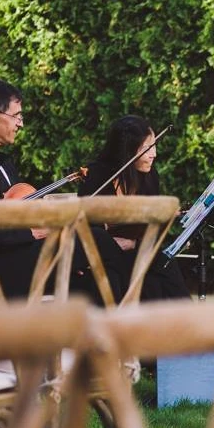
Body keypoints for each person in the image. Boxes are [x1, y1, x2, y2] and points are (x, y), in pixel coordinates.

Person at [0, 78, 124, 303]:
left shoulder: (5, 163)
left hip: (21, 256)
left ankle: (116, 329)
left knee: (95, 278)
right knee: (98, 239)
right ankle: (142, 293)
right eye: (17, 116)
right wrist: (32, 232)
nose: (21, 123)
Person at [77, 115, 191, 301]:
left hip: (138, 250)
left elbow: (151, 226)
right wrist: (115, 241)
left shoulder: (149, 176)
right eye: (147, 148)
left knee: (161, 264)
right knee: (152, 271)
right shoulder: (97, 175)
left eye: (154, 146)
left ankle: (187, 322)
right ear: (127, 150)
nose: (154, 154)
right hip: (103, 259)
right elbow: (89, 228)